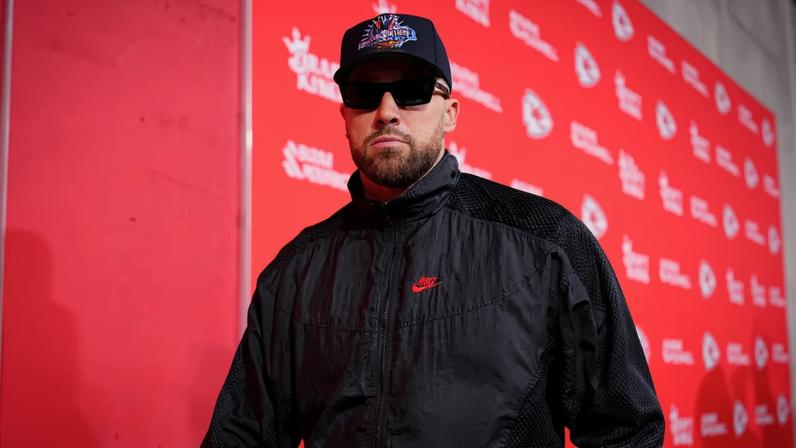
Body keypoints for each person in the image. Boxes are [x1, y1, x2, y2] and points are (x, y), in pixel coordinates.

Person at [203, 13, 664, 448]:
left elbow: (625, 428)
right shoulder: (294, 272)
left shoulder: (547, 241)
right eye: (365, 92)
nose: (386, 111)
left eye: (413, 90)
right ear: (345, 118)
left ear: (451, 113)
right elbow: (241, 436)